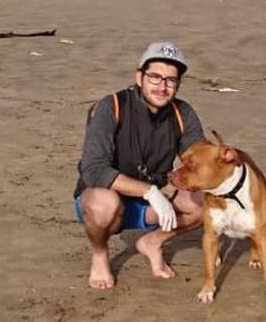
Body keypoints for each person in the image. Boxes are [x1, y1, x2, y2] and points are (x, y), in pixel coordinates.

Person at [74, 41, 205, 289]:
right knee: (104, 204)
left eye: (170, 80)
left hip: (150, 201)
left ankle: (153, 242)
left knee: (204, 203)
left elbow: (198, 159)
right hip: (106, 198)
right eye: (155, 77)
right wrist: (149, 191)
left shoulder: (182, 113)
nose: (162, 86)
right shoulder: (110, 107)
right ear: (139, 77)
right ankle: (100, 255)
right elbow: (93, 170)